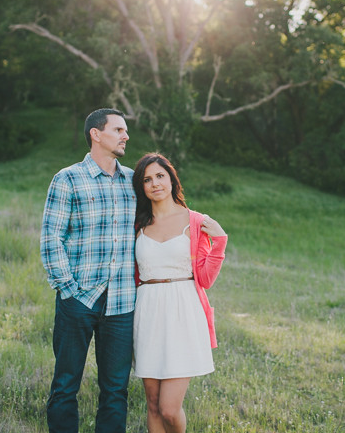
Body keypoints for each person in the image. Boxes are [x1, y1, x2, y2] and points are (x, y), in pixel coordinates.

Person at [41, 108, 137, 433]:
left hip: (122, 304)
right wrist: (68, 290)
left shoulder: (133, 182)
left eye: (125, 131)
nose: (126, 136)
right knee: (66, 386)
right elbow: (52, 237)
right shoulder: (67, 178)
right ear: (96, 134)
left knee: (115, 391)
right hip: (78, 300)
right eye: (119, 130)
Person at [131, 153, 228, 433]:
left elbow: (206, 279)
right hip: (147, 312)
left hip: (183, 313)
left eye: (160, 176)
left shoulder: (195, 222)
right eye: (147, 179)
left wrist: (219, 242)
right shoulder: (138, 224)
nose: (155, 183)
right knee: (152, 404)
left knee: (169, 410)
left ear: (172, 180)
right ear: (142, 187)